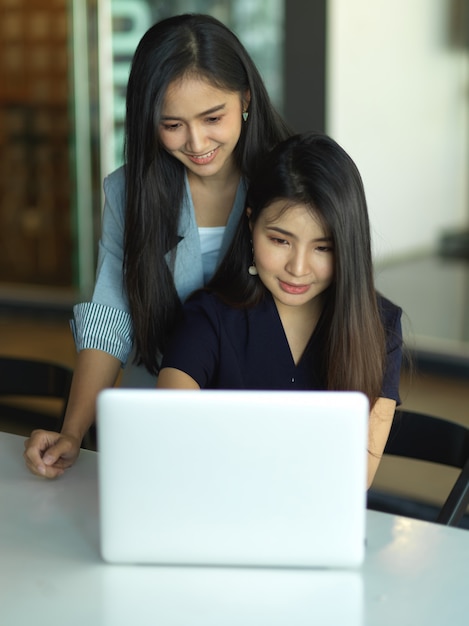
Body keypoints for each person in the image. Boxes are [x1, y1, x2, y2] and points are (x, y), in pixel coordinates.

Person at [23, 13, 292, 478]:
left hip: (267, 415)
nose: (197, 142)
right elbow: (111, 316)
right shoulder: (130, 193)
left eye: (213, 118)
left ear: (245, 98)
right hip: (163, 415)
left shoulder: (291, 181)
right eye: (172, 125)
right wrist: (72, 431)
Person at [157, 132, 403, 489]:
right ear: (251, 221)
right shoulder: (208, 318)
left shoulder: (380, 328)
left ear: (349, 247)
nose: (298, 268)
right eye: (280, 240)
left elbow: (354, 479)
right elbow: (167, 438)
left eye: (323, 248)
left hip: (320, 534)